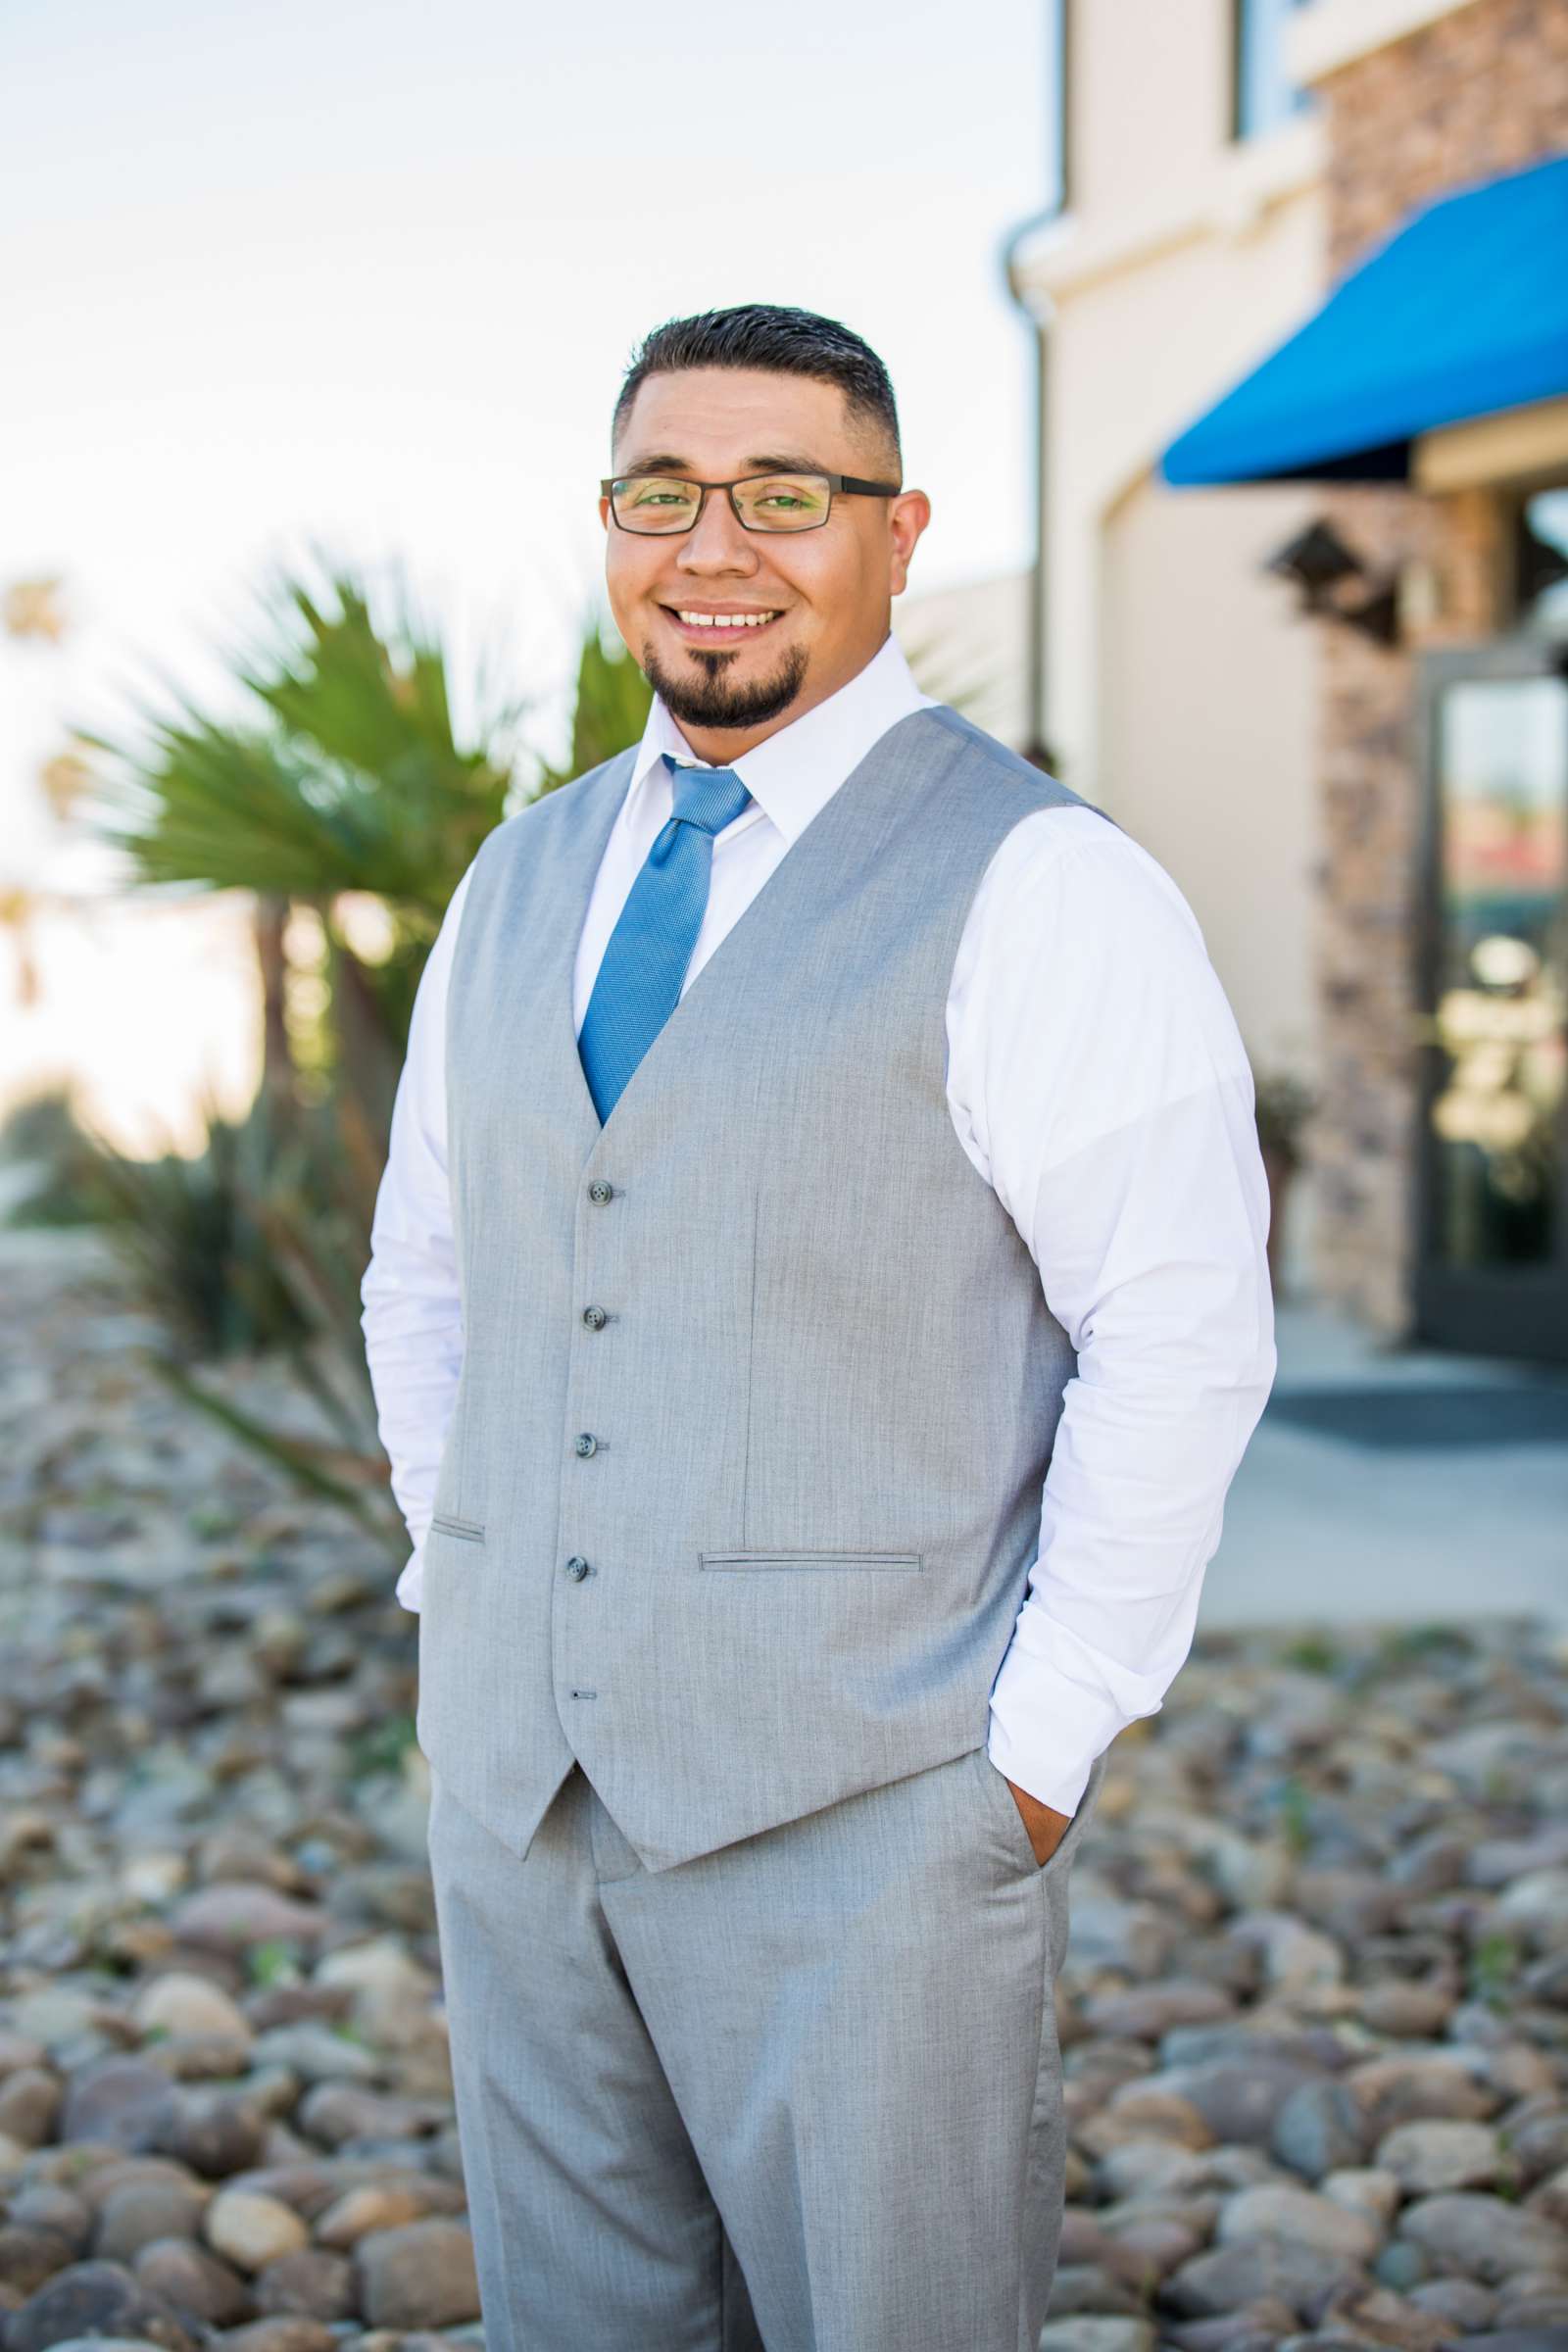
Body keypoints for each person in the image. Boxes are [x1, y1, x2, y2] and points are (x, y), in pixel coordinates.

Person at [361, 300, 1276, 2352]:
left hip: (867, 1819)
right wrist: (465, 1577)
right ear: (604, 527)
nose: (714, 548)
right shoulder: (513, 880)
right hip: (517, 1807)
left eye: (783, 496)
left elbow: (1182, 1336)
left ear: (895, 530)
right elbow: (431, 1271)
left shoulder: (1039, 882)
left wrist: (1030, 1760)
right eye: (659, 494)